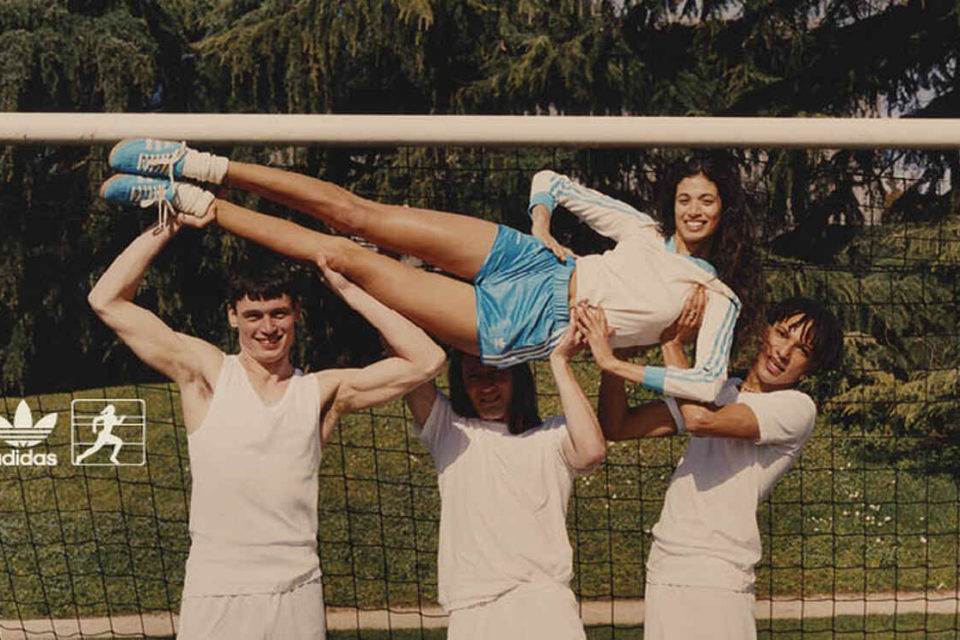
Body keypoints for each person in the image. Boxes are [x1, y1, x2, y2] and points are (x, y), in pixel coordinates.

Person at [101, 141, 760, 402]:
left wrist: (616, 366)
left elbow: (706, 383)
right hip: (532, 262)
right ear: (673, 202)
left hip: (529, 322)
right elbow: (551, 181)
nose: (694, 209)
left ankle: (195, 206)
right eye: (685, 198)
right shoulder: (642, 231)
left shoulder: (717, 297)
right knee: (360, 214)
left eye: (708, 201)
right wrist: (540, 228)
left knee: (348, 259)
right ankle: (191, 162)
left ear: (725, 211)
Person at [88, 193, 446, 640]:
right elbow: (106, 300)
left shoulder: (321, 392)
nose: (267, 327)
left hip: (296, 593)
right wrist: (171, 223)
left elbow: (427, 360)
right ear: (232, 317)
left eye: (279, 313)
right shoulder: (206, 372)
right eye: (253, 315)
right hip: (217, 590)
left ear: (297, 315)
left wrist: (351, 290)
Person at [575, 296, 843, 640]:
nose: (783, 352)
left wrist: (662, 346)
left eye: (802, 349)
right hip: (666, 564)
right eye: (782, 333)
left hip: (719, 573)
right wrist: (621, 347)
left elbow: (699, 419)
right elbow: (618, 426)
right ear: (765, 330)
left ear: (810, 368)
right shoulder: (719, 390)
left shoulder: (797, 408)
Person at [403, 316, 606, 640]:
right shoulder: (449, 430)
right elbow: (405, 352)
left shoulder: (551, 436)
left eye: (497, 375)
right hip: (473, 610)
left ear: (517, 379)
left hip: (546, 608)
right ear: (461, 383)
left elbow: (592, 451)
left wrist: (559, 361)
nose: (486, 387)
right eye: (474, 377)